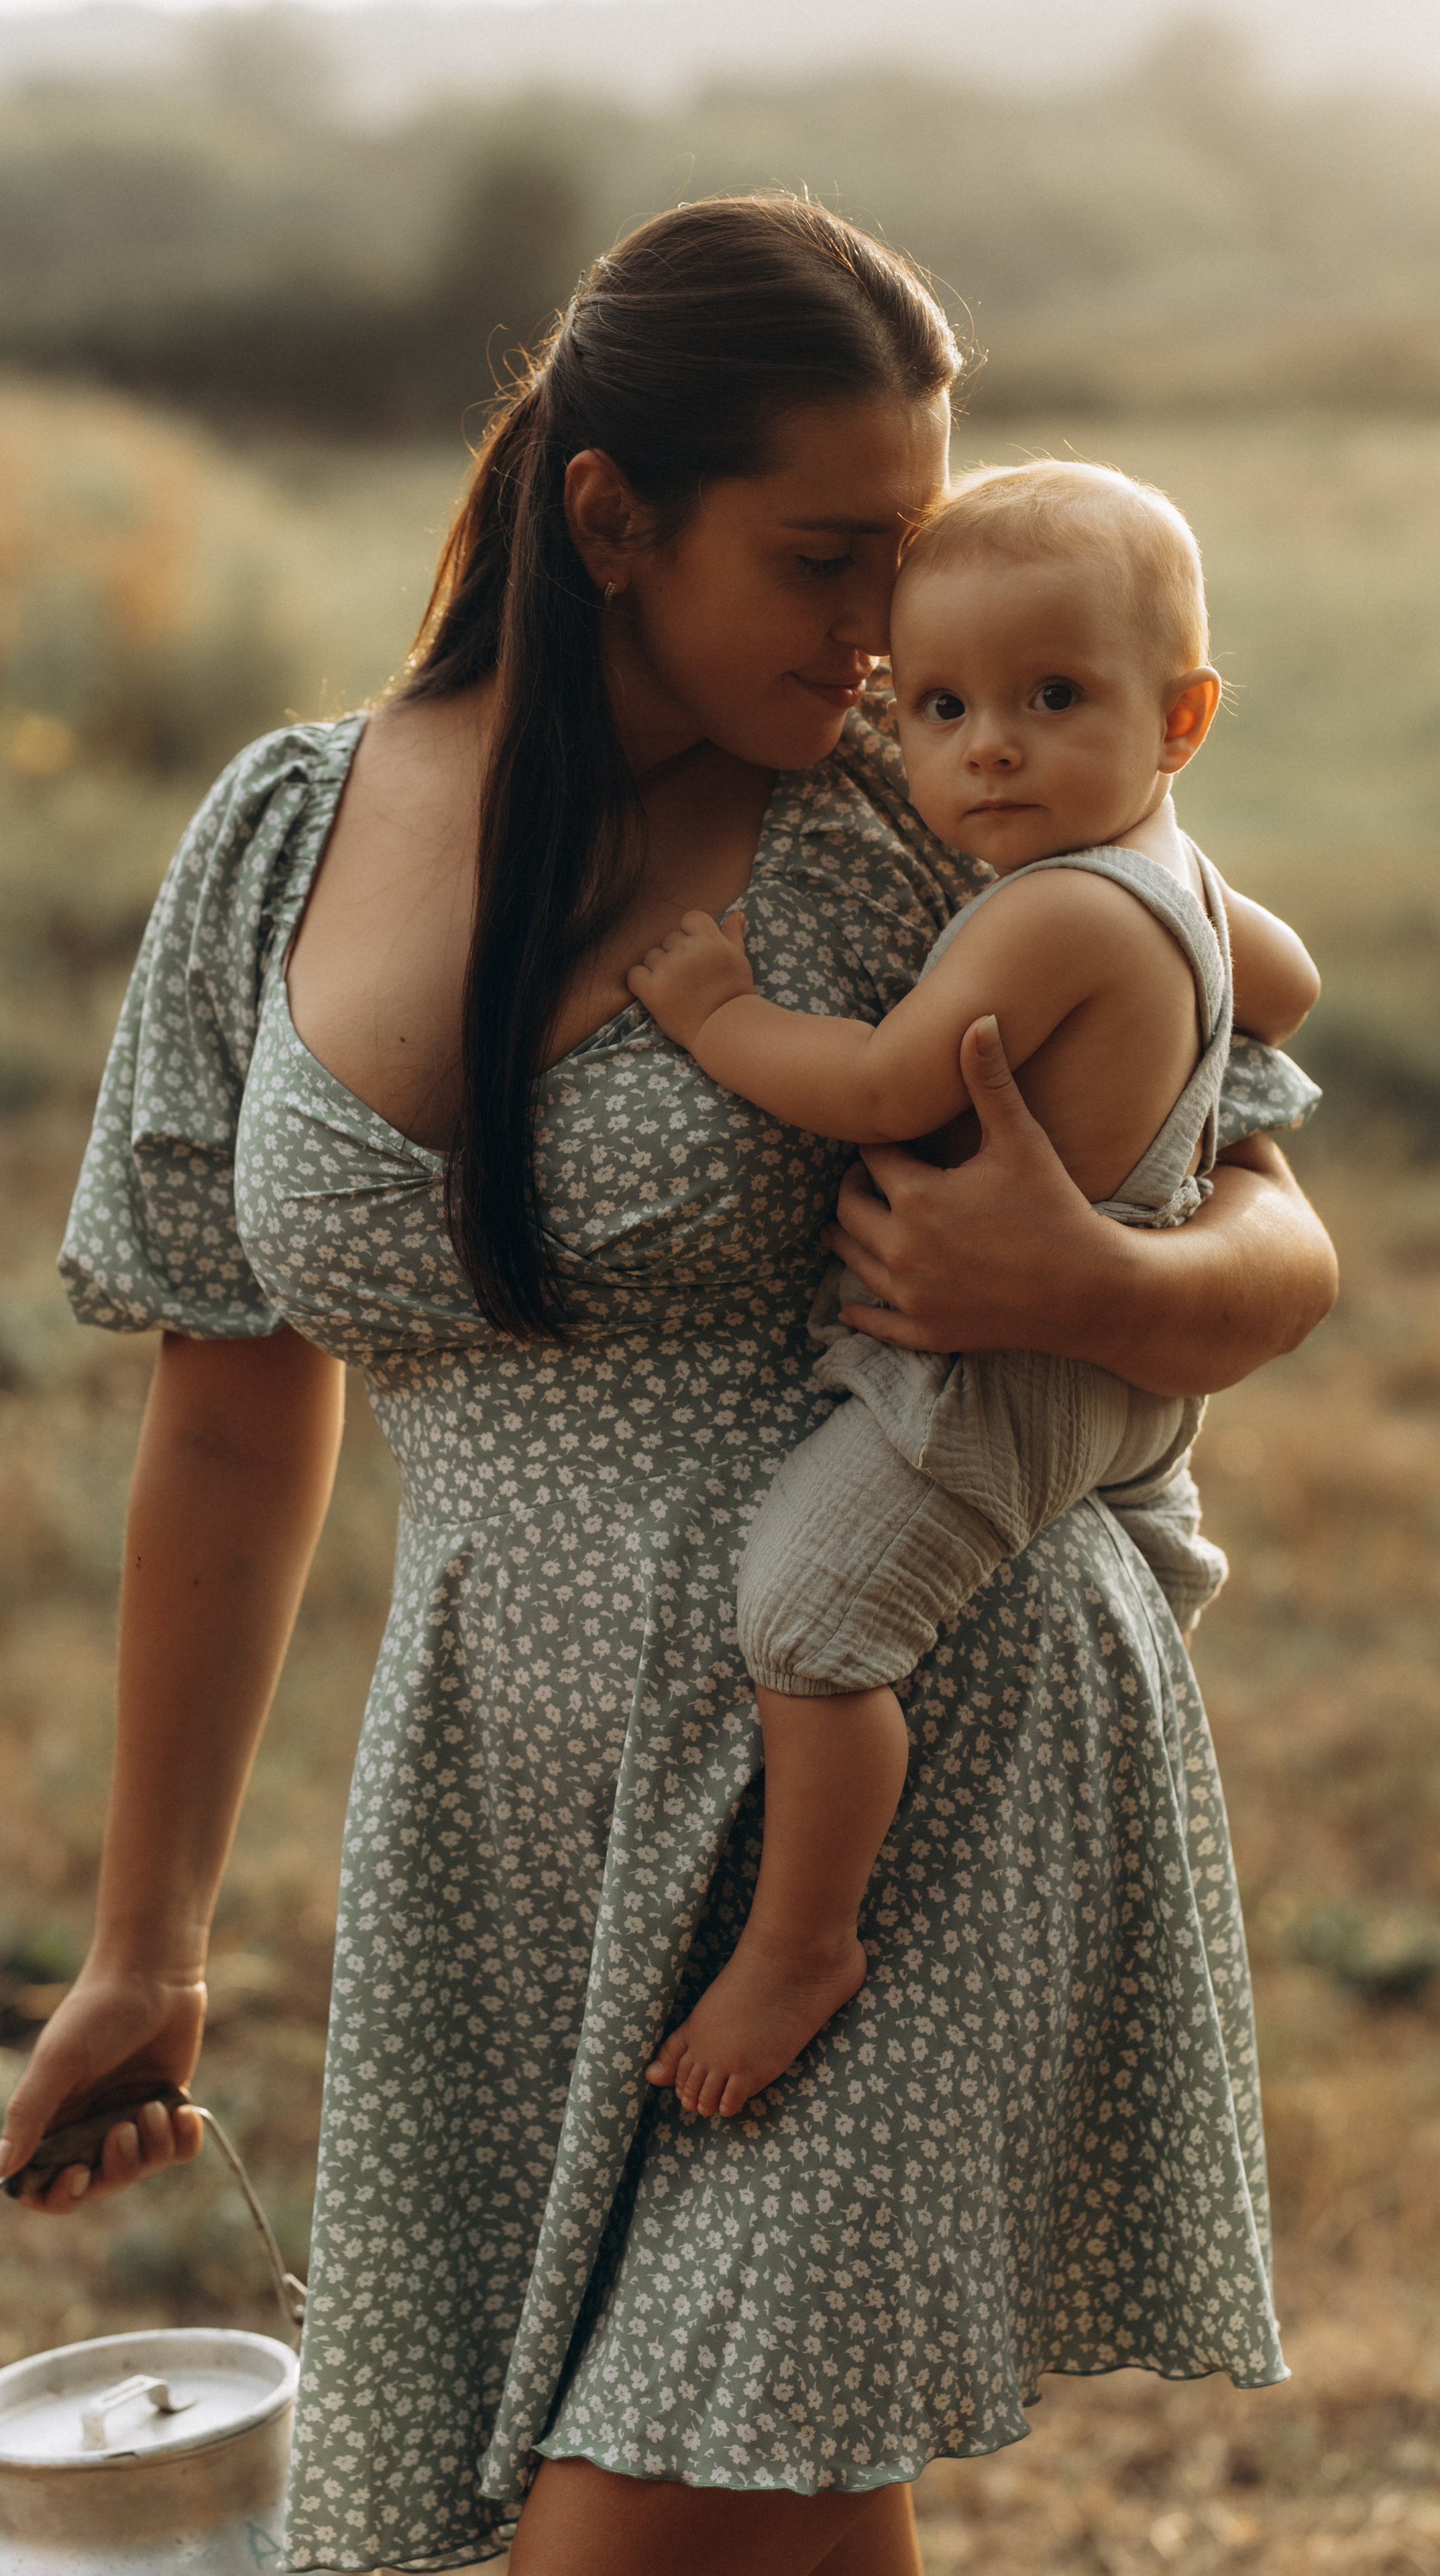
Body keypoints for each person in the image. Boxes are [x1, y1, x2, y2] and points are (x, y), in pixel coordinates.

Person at [0, 198, 1336, 2576]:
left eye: (906, 562)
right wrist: (145, 1942)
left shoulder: (931, 824)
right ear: (609, 519)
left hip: (912, 1741)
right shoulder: (281, 837)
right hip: (509, 1805)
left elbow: (1276, 1220)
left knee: (654, 2529)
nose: (890, 636)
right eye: (829, 560)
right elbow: (225, 1414)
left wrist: (1090, 1277)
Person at [626, 459, 1321, 2121]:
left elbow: (876, 1086)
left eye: (1049, 696)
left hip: (1002, 1361)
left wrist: (720, 1020)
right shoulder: (1168, 871)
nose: (986, 746)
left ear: (1180, 717)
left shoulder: (1049, 914)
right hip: (1117, 1348)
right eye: (934, 707)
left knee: (804, 1617)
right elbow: (1280, 988)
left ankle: (802, 1938)